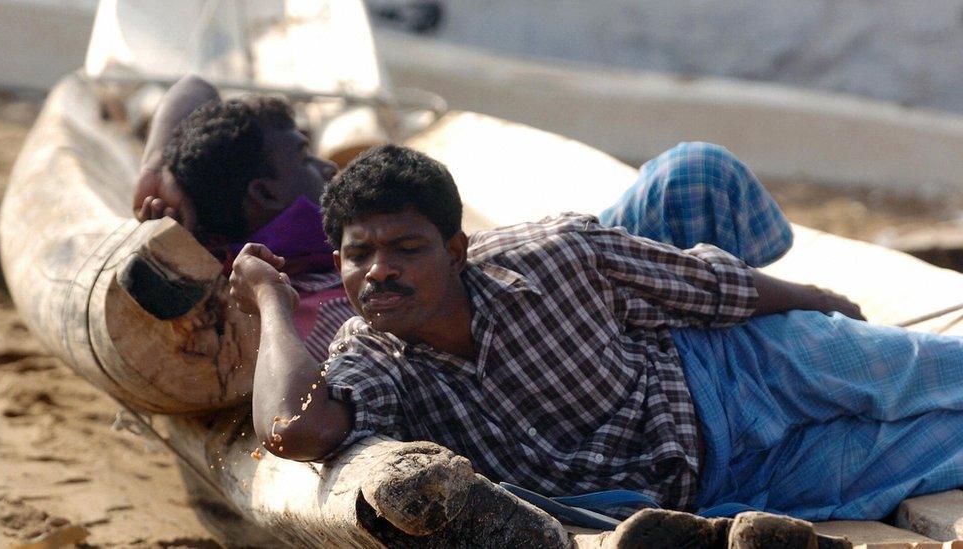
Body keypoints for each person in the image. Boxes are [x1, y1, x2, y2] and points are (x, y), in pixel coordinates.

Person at [229, 141, 963, 532]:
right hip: (718, 483)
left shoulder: (551, 253)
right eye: (359, 256)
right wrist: (269, 299)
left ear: (455, 250)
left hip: (729, 372)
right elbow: (294, 431)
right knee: (930, 452)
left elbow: (709, 286)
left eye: (406, 248)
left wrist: (820, 301)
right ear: (339, 265)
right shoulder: (371, 356)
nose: (379, 272)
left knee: (918, 370)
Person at [133, 75, 357, 362]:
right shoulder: (317, 308)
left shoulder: (227, 257)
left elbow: (195, 86)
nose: (328, 167)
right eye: (305, 159)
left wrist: (155, 169)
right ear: (264, 193)